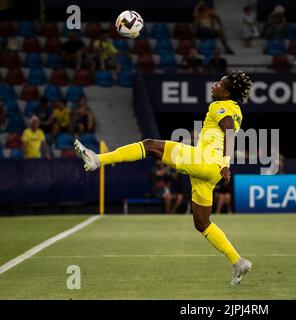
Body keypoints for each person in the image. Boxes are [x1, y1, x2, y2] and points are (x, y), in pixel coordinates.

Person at [74, 71, 253, 285]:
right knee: (202, 222)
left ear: (228, 92)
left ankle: (98, 160)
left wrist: (225, 162)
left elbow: (230, 133)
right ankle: (237, 261)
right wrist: (223, 165)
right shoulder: (237, 111)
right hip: (210, 172)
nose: (214, 85)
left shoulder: (219, 106)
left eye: (220, 84)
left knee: (150, 145)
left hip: (205, 160)